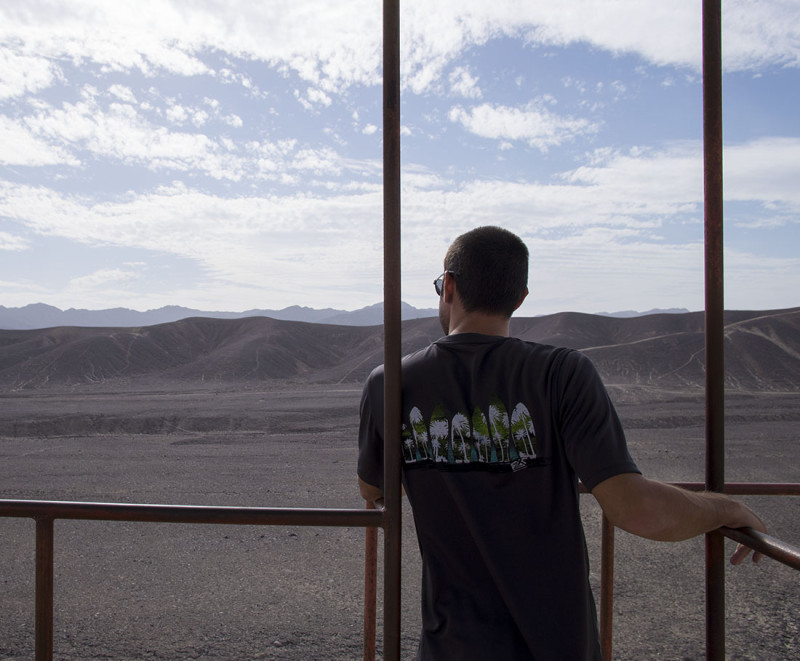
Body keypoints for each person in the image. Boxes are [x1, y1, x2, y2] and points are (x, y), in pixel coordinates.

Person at [357, 226, 766, 660]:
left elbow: (373, 488)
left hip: (450, 645)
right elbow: (636, 509)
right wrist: (727, 508)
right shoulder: (562, 373)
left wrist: (443, 469)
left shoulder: (390, 383)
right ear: (520, 298)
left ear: (450, 286)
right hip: (557, 644)